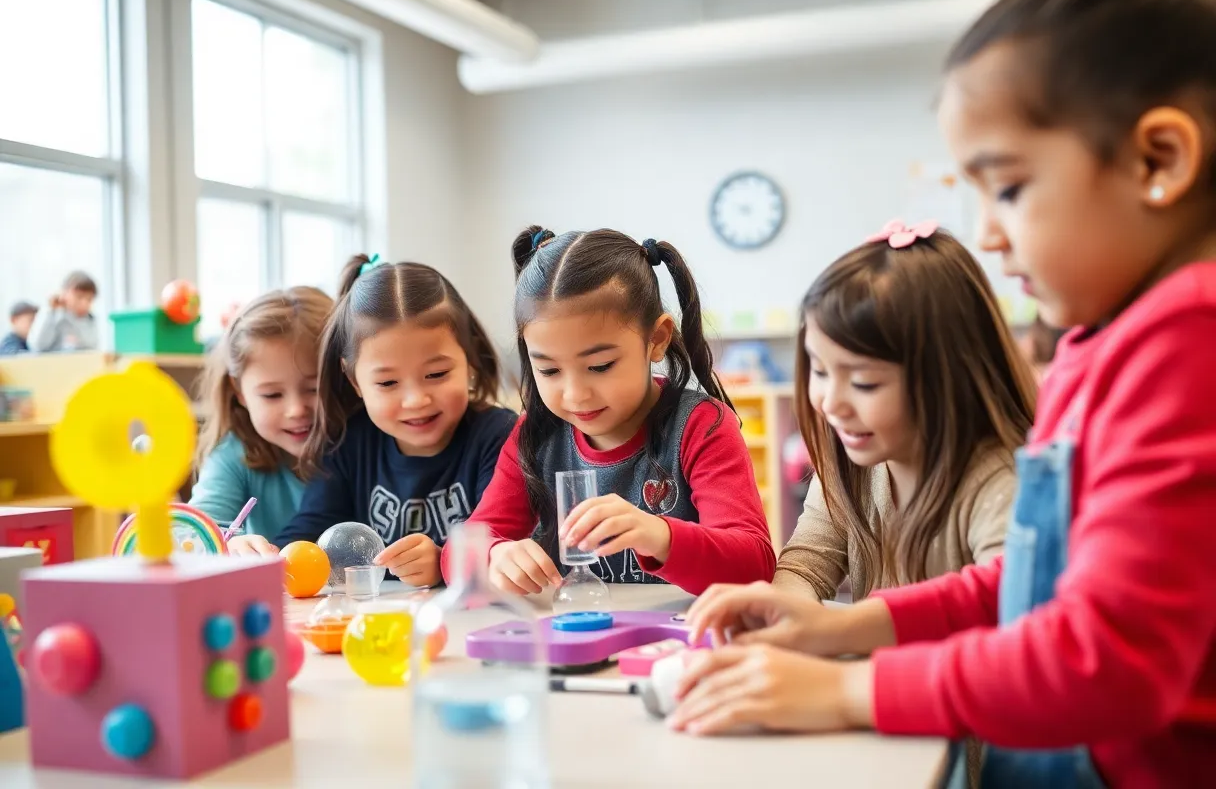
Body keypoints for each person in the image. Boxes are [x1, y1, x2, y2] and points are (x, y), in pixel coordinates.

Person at [668, 0, 1216, 785]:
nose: (989, 236)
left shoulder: (1187, 340)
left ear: (1158, 161)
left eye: (1009, 189)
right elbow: (1029, 586)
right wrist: (848, 625)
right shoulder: (1098, 341)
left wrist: (850, 691)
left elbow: (1105, 661)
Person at [442, 227, 775, 596]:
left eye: (600, 366)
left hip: (681, 645)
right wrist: (494, 553)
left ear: (657, 339)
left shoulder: (700, 426)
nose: (575, 394)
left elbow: (755, 564)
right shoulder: (535, 436)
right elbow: (458, 551)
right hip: (571, 640)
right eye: (549, 370)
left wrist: (658, 535)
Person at [775, 226, 1036, 602]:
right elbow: (805, 564)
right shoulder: (850, 463)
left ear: (947, 378)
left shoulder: (1001, 485)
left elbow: (1003, 615)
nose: (831, 403)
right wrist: (782, 611)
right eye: (819, 370)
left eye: (864, 383)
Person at [273, 254, 516, 588]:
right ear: (354, 380)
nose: (416, 400)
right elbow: (307, 535)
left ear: (470, 358)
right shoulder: (346, 442)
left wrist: (445, 562)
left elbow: (508, 541)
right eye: (387, 383)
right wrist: (266, 556)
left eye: (437, 373)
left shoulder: (498, 436)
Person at [188, 287, 333, 554]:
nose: (295, 410)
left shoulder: (366, 447)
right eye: (272, 394)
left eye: (314, 389)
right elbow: (192, 534)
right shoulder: (234, 456)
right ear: (240, 392)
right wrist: (228, 544)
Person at [28, 271, 98, 352]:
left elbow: (92, 348)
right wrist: (50, 311)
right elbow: (37, 345)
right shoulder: (53, 315)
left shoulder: (90, 320)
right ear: (64, 293)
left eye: (89, 300)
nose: (84, 304)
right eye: (79, 297)